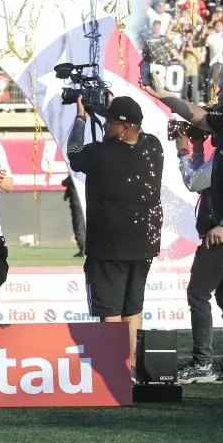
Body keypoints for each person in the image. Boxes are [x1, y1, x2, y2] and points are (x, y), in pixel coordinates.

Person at [67, 95, 163, 372]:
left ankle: (113, 372)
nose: (106, 125)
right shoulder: (154, 147)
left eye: (110, 122)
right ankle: (129, 367)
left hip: (109, 245)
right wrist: (110, 108)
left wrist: (81, 117)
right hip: (144, 244)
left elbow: (74, 152)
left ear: (123, 128)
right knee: (133, 308)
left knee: (110, 310)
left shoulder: (100, 153)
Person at [171, 125, 223, 383]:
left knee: (198, 294)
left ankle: (203, 363)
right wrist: (198, 148)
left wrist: (182, 152)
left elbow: (194, 181)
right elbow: (204, 180)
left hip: (220, 235)